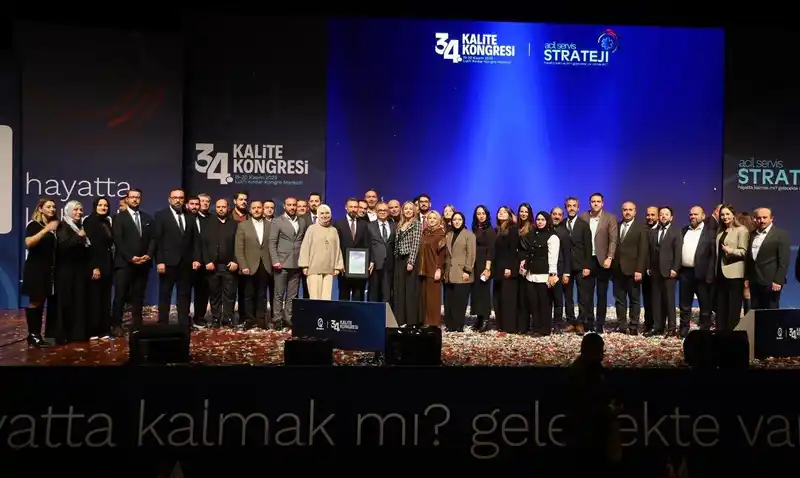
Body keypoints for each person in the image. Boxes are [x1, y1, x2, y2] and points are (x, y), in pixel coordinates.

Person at [21, 198, 59, 347]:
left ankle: (37, 334)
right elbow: (29, 243)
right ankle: (33, 335)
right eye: (48, 207)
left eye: (54, 207)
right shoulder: (34, 225)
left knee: (42, 300)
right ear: (40, 209)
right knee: (35, 300)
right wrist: (45, 230)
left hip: (48, 270)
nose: (52, 209)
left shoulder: (55, 226)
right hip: (35, 269)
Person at [54, 200, 92, 344]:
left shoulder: (80, 226)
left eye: (80, 210)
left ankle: (78, 334)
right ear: (68, 211)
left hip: (79, 271)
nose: (79, 212)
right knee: (66, 302)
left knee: (79, 302)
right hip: (66, 271)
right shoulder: (63, 226)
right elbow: (62, 247)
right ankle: (64, 334)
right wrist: (79, 237)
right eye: (75, 210)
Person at [83, 197, 115, 338]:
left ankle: (104, 329)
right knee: (94, 298)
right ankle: (93, 330)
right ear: (95, 206)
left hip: (107, 263)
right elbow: (90, 246)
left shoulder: (107, 221)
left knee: (105, 297)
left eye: (105, 205)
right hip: (95, 264)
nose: (103, 207)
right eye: (100, 205)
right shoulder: (89, 221)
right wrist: (94, 267)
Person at [299, 204, 343, 299]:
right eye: (322, 213)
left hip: (329, 269)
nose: (325, 215)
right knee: (315, 297)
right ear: (318, 215)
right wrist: (304, 265)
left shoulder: (333, 230)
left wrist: (338, 267)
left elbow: (337, 248)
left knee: (326, 298)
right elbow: (305, 247)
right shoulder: (311, 229)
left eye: (327, 213)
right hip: (313, 268)